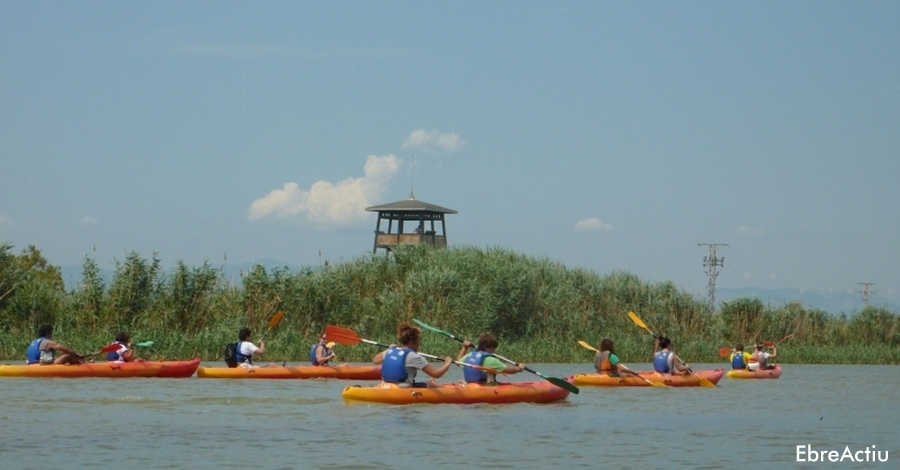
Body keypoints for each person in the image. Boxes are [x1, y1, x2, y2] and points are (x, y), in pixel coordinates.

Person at [372, 323, 452, 388]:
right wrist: (447, 364)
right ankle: (442, 388)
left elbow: (375, 360)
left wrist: (390, 349)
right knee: (430, 383)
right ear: (412, 342)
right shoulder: (415, 357)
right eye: (418, 341)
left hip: (384, 386)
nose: (419, 344)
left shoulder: (391, 351)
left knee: (427, 383)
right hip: (403, 388)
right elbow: (436, 374)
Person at [456, 333, 525, 384]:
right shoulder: (490, 360)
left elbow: (458, 362)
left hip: (470, 386)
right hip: (485, 388)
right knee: (490, 372)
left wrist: (464, 348)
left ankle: (464, 384)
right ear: (486, 347)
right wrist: (519, 368)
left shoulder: (469, 355)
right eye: (492, 348)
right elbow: (507, 370)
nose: (494, 351)